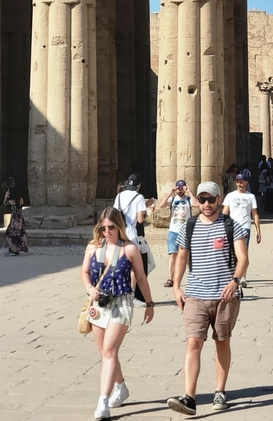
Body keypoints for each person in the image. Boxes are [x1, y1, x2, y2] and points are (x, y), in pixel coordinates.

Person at [167, 182, 249, 416]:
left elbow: (243, 258)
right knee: (193, 342)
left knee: (222, 341)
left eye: (210, 199)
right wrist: (176, 286)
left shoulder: (231, 226)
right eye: (202, 199)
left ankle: (219, 391)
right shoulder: (189, 226)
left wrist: (235, 281)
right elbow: (181, 257)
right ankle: (189, 398)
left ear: (218, 200)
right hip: (195, 295)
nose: (206, 204)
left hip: (225, 296)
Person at [80, 207, 155, 420]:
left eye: (111, 227)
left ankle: (103, 401)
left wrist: (149, 303)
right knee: (105, 353)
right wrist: (89, 288)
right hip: (98, 303)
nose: (107, 232)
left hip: (122, 302)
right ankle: (120, 386)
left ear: (119, 226)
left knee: (110, 350)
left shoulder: (129, 248)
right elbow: (84, 273)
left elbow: (141, 277)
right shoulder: (93, 246)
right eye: (103, 228)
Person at [114, 174, 151, 301]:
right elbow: (140, 219)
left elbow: (114, 214)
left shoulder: (119, 196)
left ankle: (118, 290)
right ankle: (131, 293)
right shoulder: (139, 197)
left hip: (119, 231)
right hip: (130, 232)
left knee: (118, 262)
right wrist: (147, 212)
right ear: (138, 185)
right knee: (134, 266)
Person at [158, 180, 199, 288]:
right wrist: (170, 192)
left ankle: (193, 277)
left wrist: (189, 191)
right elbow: (161, 205)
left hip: (185, 231)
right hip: (173, 230)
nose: (180, 190)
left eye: (182, 188)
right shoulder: (172, 199)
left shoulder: (188, 199)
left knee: (187, 255)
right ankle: (170, 279)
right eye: (178, 188)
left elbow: (196, 204)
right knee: (172, 255)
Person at [222, 175, 261, 287]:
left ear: (246, 183)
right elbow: (225, 212)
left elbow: (255, 214)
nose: (239, 184)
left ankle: (243, 276)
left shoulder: (251, 197)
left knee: (243, 252)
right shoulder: (230, 195)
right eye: (237, 182)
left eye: (241, 182)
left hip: (244, 227)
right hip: (232, 227)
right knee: (231, 252)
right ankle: (234, 275)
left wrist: (258, 231)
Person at [3, 180, 28, 255]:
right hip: (20, 218)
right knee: (18, 234)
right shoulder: (20, 200)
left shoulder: (12, 201)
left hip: (15, 219)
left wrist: (6, 195)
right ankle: (15, 248)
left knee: (9, 234)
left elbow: (4, 202)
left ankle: (14, 249)